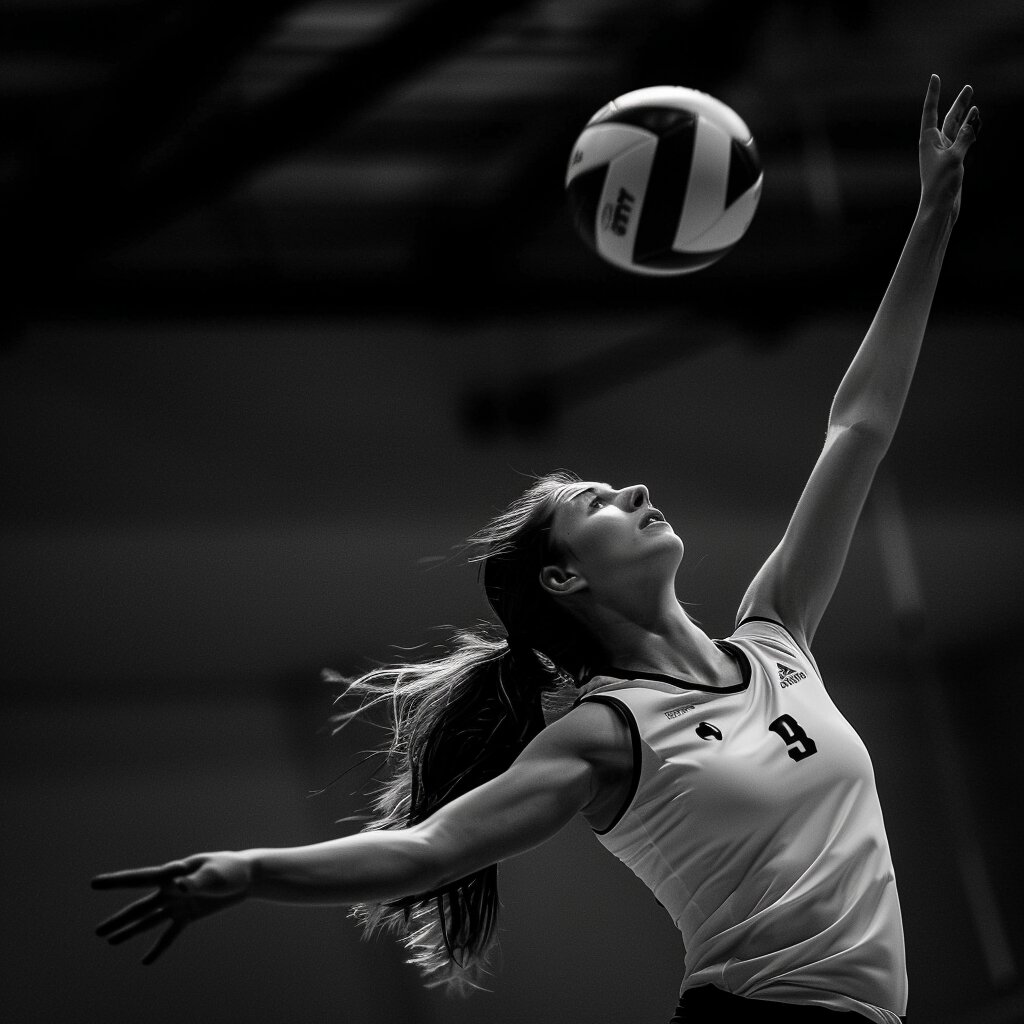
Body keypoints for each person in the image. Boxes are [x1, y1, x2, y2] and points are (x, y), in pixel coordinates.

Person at [92, 76, 980, 1022]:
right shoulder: (606, 736)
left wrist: (932, 213)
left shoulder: (777, 638)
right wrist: (248, 869)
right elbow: (429, 851)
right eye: (598, 501)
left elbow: (860, 427)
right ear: (565, 575)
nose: (636, 491)